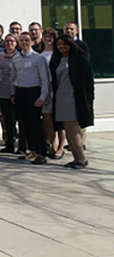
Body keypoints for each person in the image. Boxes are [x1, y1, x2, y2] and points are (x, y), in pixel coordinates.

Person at [52, 35, 94, 169]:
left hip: (74, 98)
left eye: (64, 44)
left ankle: (81, 159)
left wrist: (89, 100)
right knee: (66, 129)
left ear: (70, 44)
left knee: (72, 129)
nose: (61, 47)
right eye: (59, 44)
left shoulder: (80, 59)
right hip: (60, 97)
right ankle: (75, 158)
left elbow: (88, 82)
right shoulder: (57, 59)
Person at [11, 32, 50, 165]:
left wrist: (42, 97)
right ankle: (32, 150)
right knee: (25, 124)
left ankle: (41, 153)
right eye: (21, 40)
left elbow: (45, 79)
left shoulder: (38, 58)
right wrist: (13, 94)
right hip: (21, 93)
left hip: (34, 92)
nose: (24, 43)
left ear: (32, 42)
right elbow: (13, 77)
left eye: (27, 40)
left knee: (36, 125)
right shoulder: (16, 58)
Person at [0, 34, 23, 154]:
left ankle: (22, 145)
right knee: (7, 120)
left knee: (20, 120)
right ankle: (9, 144)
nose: (9, 43)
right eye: (7, 41)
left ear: (16, 43)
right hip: (3, 91)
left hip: (17, 91)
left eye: (12, 41)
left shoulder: (19, 56)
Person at [40, 28, 64, 159]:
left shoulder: (58, 53)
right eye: (45, 36)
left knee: (59, 119)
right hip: (44, 90)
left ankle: (61, 147)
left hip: (57, 89)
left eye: (51, 37)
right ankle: (53, 144)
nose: (48, 39)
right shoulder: (40, 53)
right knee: (47, 118)